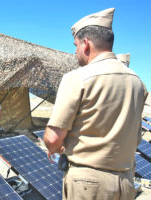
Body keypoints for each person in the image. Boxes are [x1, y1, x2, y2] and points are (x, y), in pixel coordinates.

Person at [43, 8, 148, 200]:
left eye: (75, 45)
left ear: (86, 44)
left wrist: (56, 149)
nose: (75, 52)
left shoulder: (77, 78)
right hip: (125, 180)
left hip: (88, 185)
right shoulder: (138, 82)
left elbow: (52, 139)